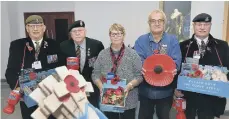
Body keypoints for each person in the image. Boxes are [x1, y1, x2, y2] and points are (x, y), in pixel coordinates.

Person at [5, 15, 63, 119]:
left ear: (44, 28)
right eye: (31, 26)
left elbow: (60, 67)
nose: (35, 29)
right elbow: (11, 70)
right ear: (27, 28)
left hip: (49, 93)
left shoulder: (54, 44)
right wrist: (18, 88)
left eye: (38, 25)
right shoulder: (17, 45)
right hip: (28, 93)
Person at [134, 10, 182, 119]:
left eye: (160, 20)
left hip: (165, 91)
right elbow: (138, 60)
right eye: (153, 21)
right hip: (146, 91)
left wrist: (174, 67)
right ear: (149, 23)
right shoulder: (141, 40)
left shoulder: (172, 40)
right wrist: (142, 67)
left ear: (164, 23)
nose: (157, 23)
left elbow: (176, 61)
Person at [179, 13, 229, 119]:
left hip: (212, 100)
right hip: (189, 99)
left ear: (210, 25)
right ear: (194, 26)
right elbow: (178, 69)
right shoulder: (183, 46)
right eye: (199, 24)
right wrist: (176, 88)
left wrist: (225, 87)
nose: (202, 27)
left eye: (206, 24)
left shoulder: (221, 46)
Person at [92, 23, 143, 119]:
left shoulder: (133, 54)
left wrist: (129, 86)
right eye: (113, 34)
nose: (116, 36)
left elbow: (139, 75)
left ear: (123, 35)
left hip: (129, 98)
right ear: (109, 36)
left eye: (119, 34)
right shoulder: (102, 54)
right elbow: (95, 74)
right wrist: (101, 87)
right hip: (108, 97)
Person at [60, 20, 104, 108]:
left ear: (85, 31)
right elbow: (60, 67)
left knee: (92, 113)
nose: (77, 33)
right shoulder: (63, 46)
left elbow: (102, 66)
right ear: (70, 34)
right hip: (71, 88)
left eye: (80, 30)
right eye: (74, 31)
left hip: (92, 88)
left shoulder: (96, 45)